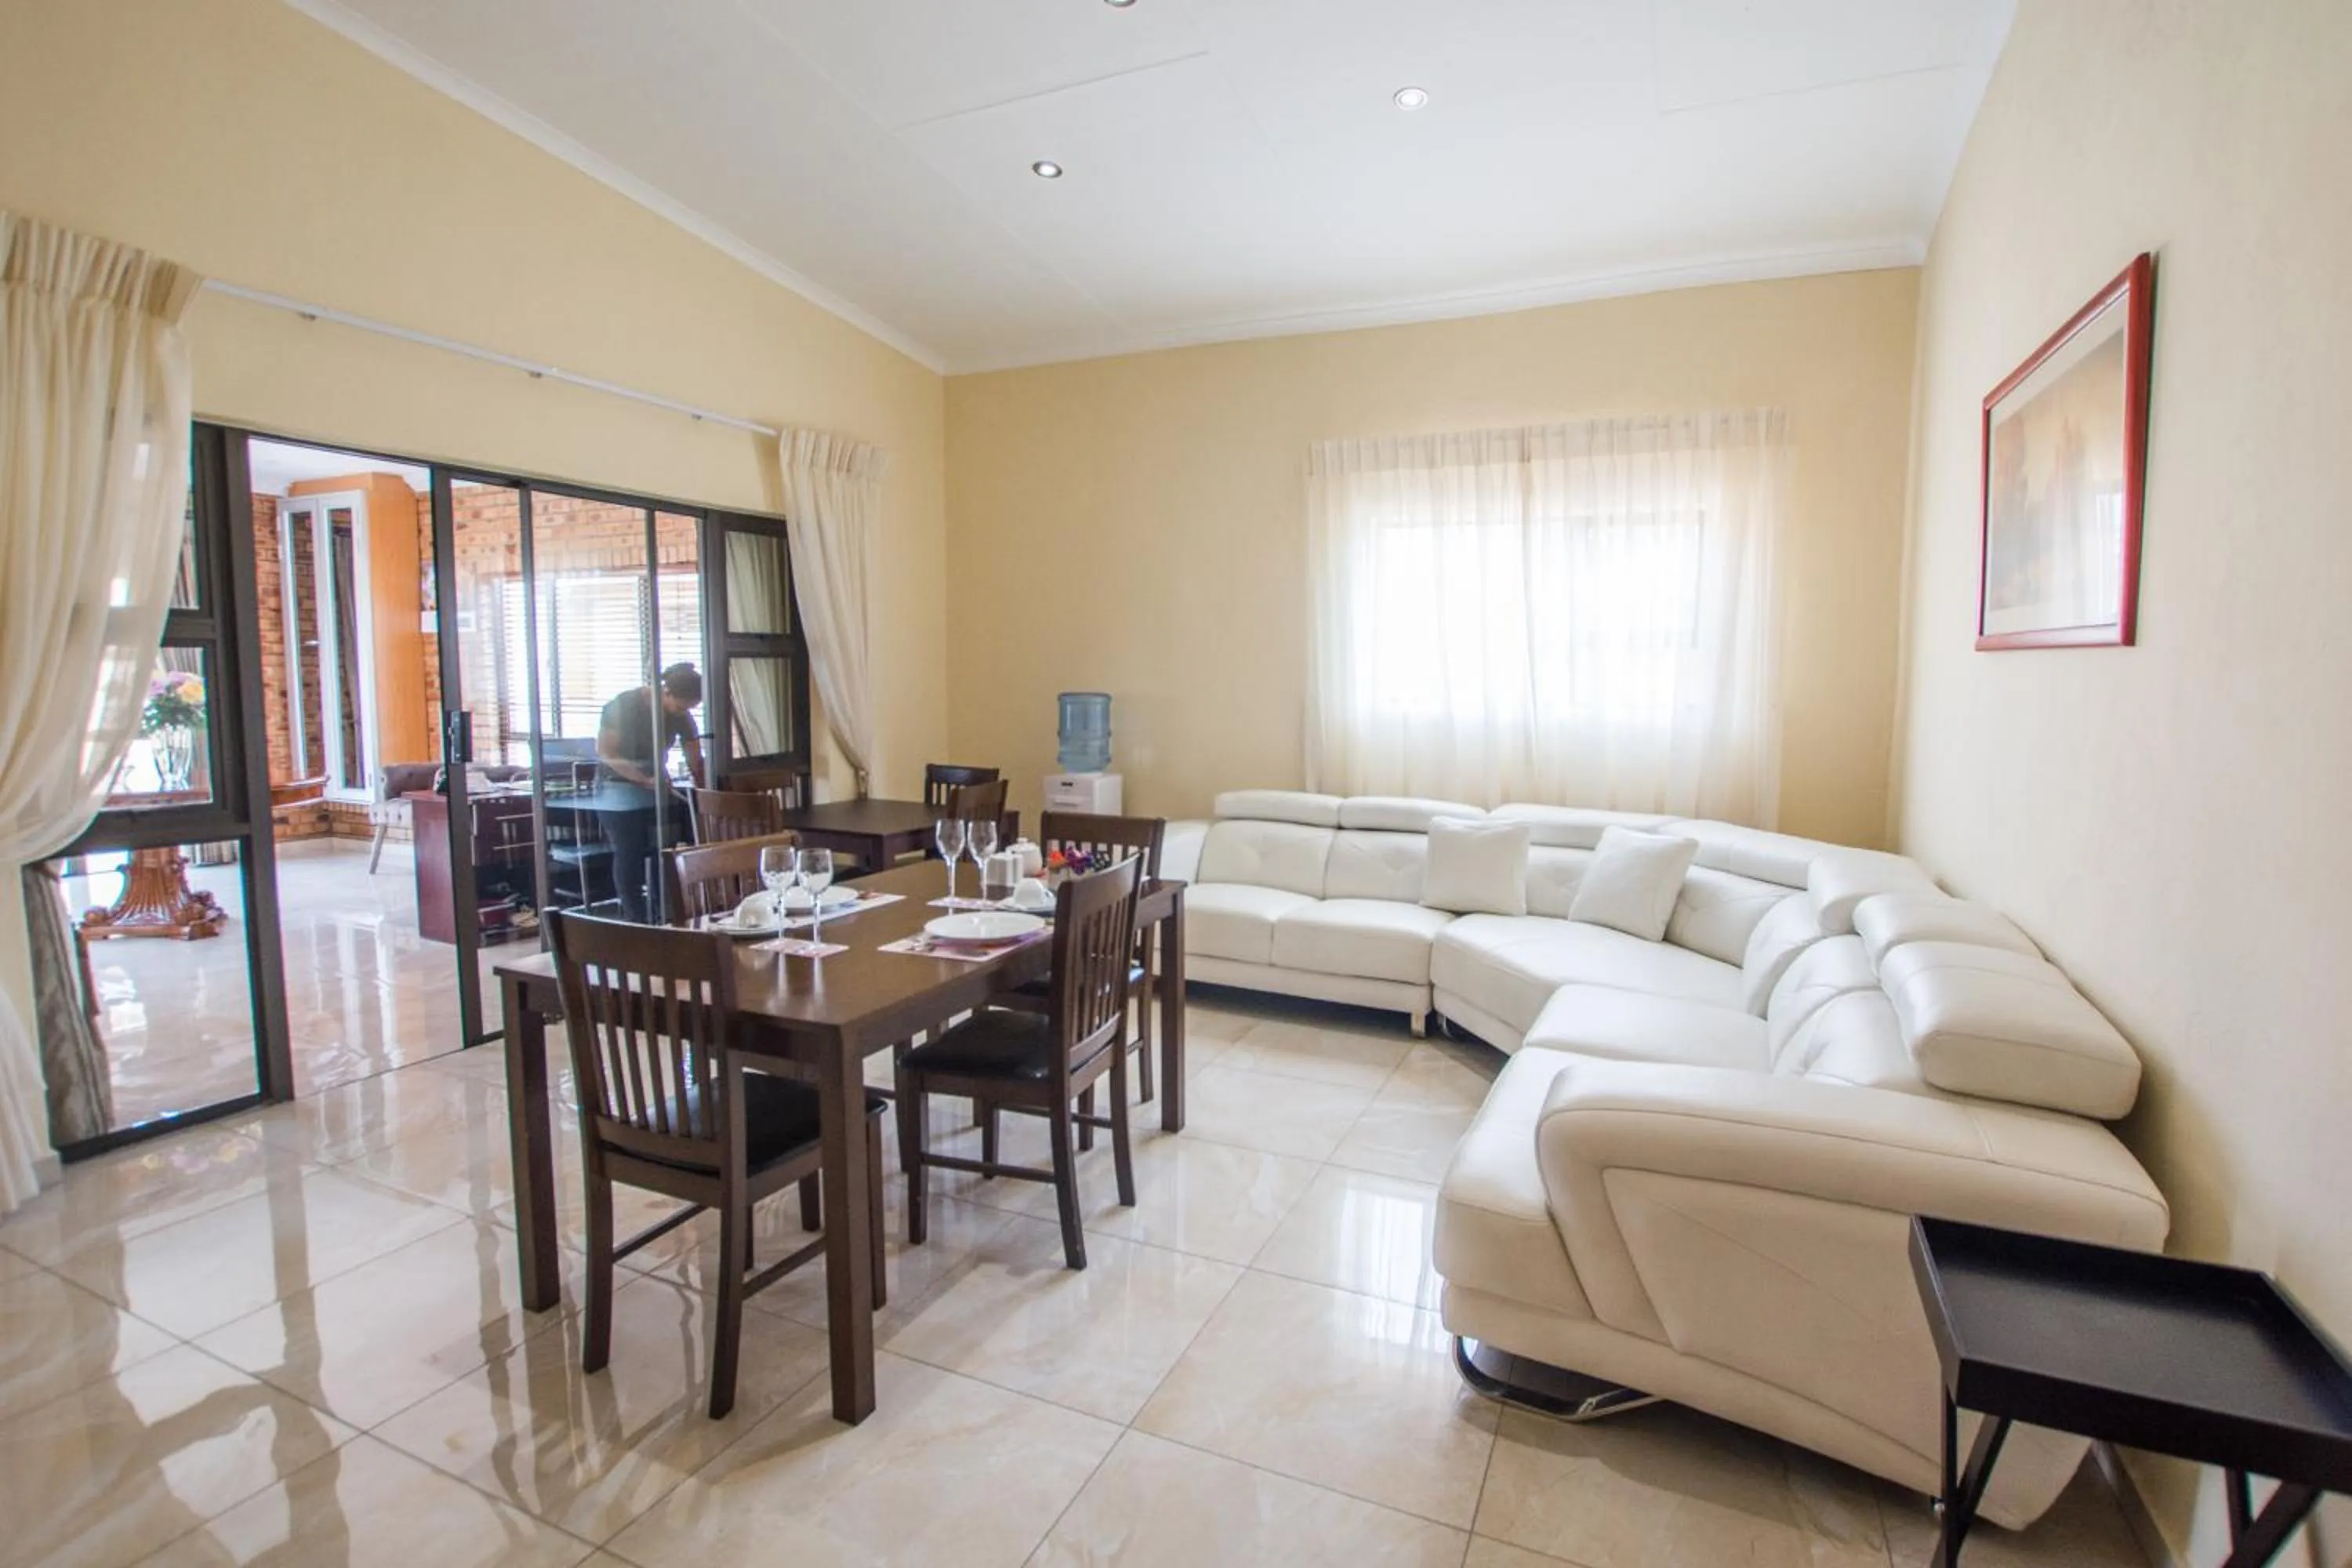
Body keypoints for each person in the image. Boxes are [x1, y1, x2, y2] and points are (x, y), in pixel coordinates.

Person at [597, 662, 706, 922]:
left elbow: (694, 753)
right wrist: (643, 778)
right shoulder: (622, 706)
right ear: (664, 691)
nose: (682, 713)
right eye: (680, 707)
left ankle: (665, 917)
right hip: (617, 786)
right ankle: (636, 921)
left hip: (654, 786)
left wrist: (702, 784)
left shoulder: (680, 714)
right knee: (629, 852)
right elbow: (607, 753)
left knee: (666, 851)